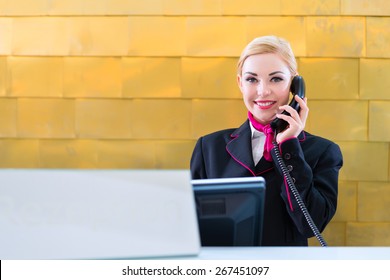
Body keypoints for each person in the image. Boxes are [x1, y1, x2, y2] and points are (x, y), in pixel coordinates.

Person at [190, 35, 343, 246]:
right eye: (252, 79)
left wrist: (290, 146)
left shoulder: (323, 151)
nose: (263, 91)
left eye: (276, 78)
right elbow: (191, 226)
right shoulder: (208, 148)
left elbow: (311, 225)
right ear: (240, 83)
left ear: (295, 85)